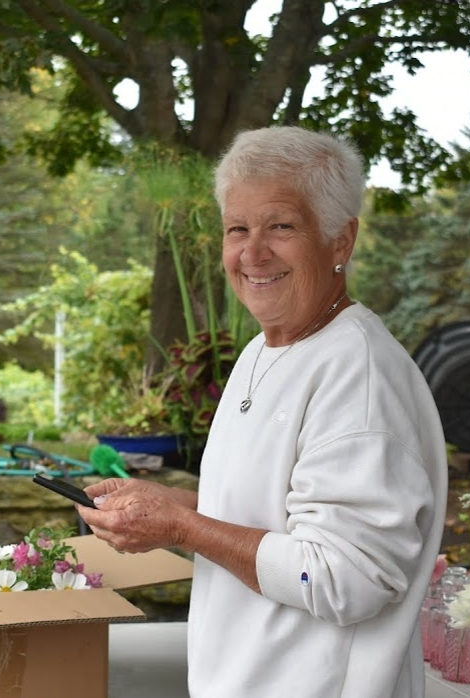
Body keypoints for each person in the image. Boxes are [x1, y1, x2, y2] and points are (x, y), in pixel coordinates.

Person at [77, 126, 448, 698]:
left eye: (281, 226)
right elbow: (278, 516)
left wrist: (182, 526)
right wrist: (167, 509)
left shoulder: (359, 373)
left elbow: (345, 578)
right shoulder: (265, 349)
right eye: (237, 229)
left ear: (340, 241)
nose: (253, 252)